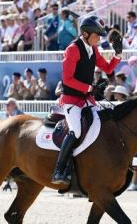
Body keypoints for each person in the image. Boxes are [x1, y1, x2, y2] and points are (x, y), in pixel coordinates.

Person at [52, 15, 122, 184]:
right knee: (75, 130)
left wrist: (118, 54)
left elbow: (107, 67)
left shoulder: (93, 49)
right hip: (70, 100)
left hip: (86, 99)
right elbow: (68, 79)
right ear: (85, 34)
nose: (99, 39)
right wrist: (90, 88)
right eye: (96, 35)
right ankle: (59, 170)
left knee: (104, 122)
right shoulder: (73, 49)